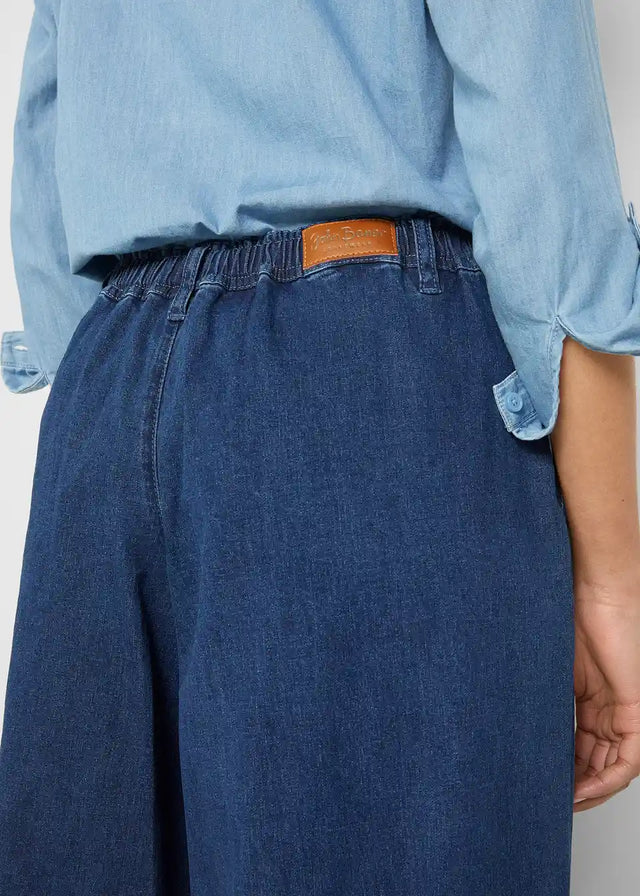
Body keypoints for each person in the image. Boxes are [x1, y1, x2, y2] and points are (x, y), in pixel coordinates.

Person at [1, 0, 639, 893]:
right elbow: (548, 186)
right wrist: (610, 585)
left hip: (106, 384)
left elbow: (46, 134)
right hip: (361, 370)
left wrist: (120, 410)